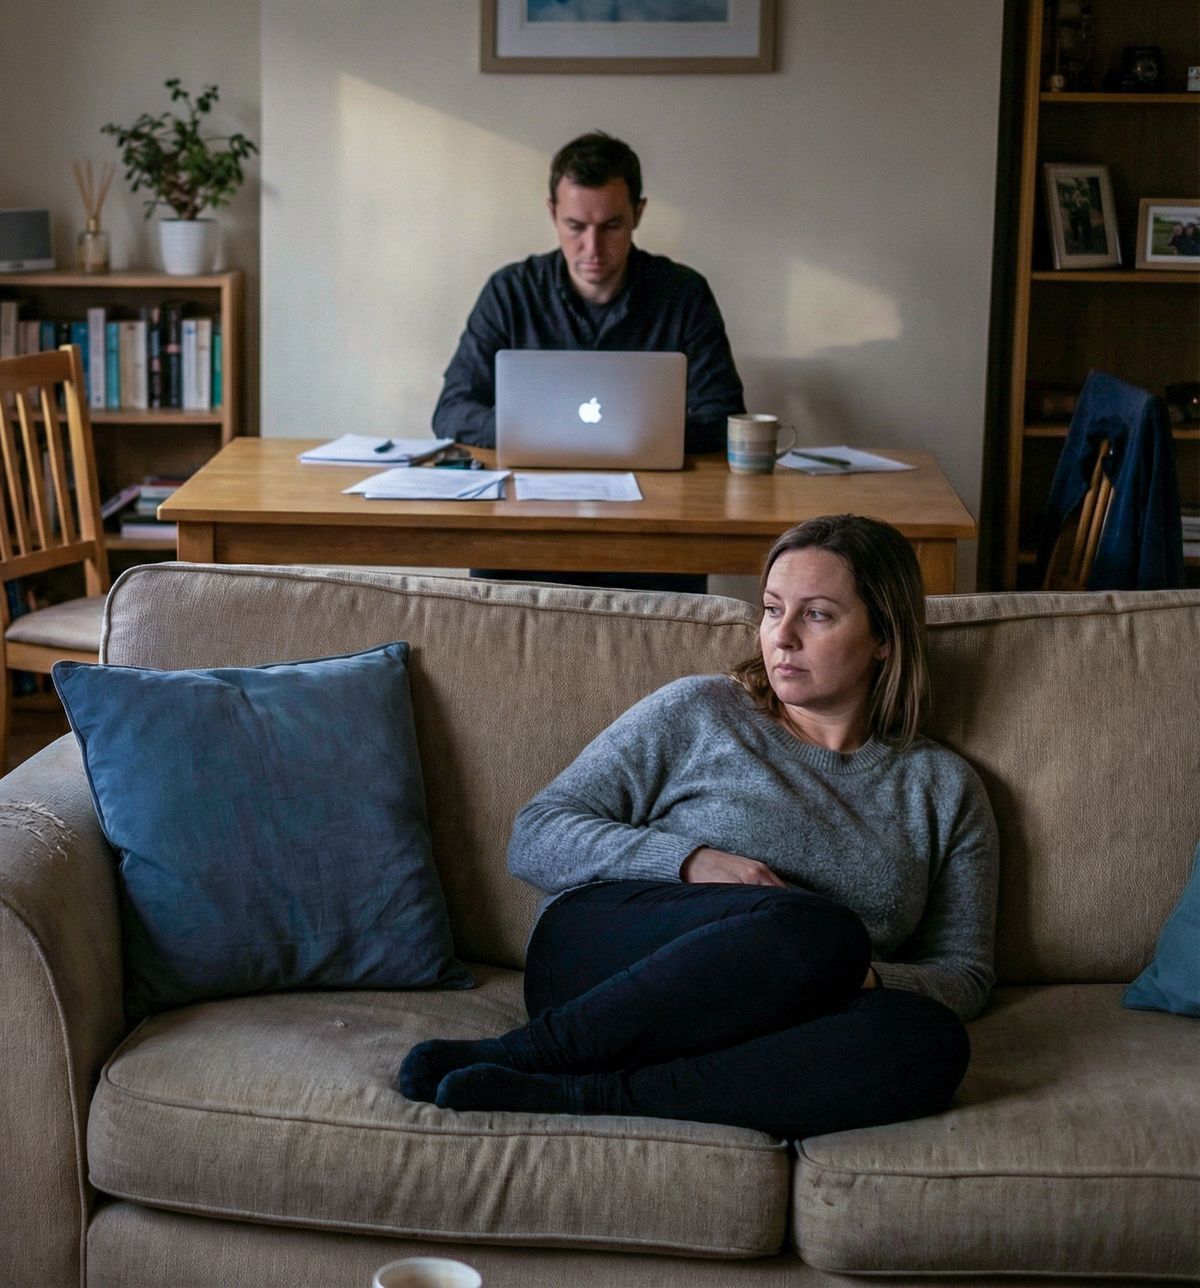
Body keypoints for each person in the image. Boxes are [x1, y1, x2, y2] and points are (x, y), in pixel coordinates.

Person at [396, 514, 998, 1140]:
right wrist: (692, 862)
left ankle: (590, 1094)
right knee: (821, 927)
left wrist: (861, 977)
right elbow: (538, 833)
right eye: (771, 609)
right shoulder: (702, 710)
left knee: (929, 1041)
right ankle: (530, 1052)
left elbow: (964, 973)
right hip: (605, 962)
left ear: (885, 637)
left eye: (817, 615)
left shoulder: (942, 788)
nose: (782, 637)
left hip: (780, 1015)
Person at [433, 130, 746, 591]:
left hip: (653, 523)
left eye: (612, 226)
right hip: (523, 523)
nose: (592, 249)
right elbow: (452, 410)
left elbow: (724, 416)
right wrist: (549, 434)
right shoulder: (510, 292)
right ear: (552, 214)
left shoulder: (683, 294)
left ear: (638, 213)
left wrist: (578, 436)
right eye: (576, 227)